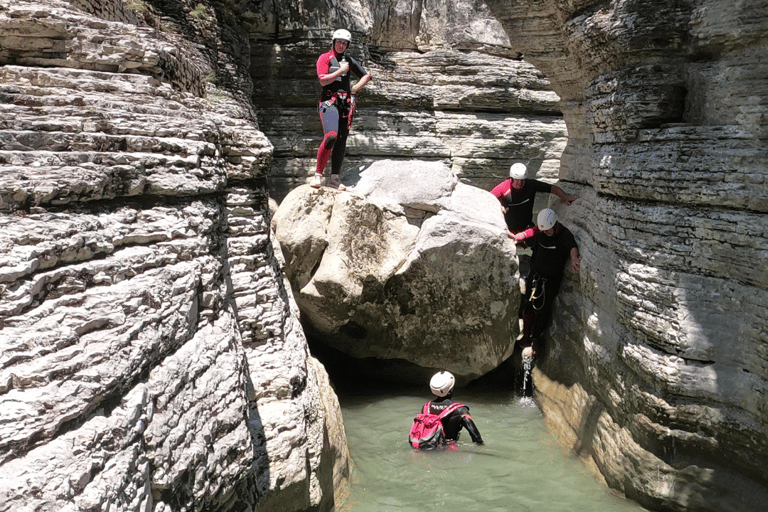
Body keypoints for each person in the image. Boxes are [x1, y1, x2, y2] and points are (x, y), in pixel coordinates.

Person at [511, 208, 580, 355]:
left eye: (548, 229)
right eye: (544, 230)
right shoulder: (541, 230)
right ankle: (526, 335)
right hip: (535, 276)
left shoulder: (564, 234)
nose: (546, 232)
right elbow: (530, 233)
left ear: (555, 224)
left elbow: (572, 246)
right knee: (528, 305)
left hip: (551, 280)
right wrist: (519, 236)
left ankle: (535, 338)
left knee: (543, 310)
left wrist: (574, 258)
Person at [310, 28, 371, 190]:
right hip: (329, 102)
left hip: (345, 103)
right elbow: (323, 81)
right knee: (331, 137)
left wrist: (354, 88)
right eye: (339, 42)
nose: (341, 46)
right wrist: (340, 72)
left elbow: (366, 75)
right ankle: (318, 175)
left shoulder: (349, 60)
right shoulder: (325, 58)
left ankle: (335, 178)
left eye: (344, 43)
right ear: (334, 42)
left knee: (341, 140)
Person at [490, 163, 579, 235]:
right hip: (507, 229)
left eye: (522, 180)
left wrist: (565, 196)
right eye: (517, 180)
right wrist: (498, 207)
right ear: (512, 178)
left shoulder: (531, 185)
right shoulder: (503, 188)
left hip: (526, 227)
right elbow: (487, 199)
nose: (519, 183)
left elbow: (551, 188)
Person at [422, 371, 483, 445]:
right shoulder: (461, 410)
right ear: (451, 389)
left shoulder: (426, 407)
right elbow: (476, 436)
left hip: (427, 446)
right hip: (449, 449)